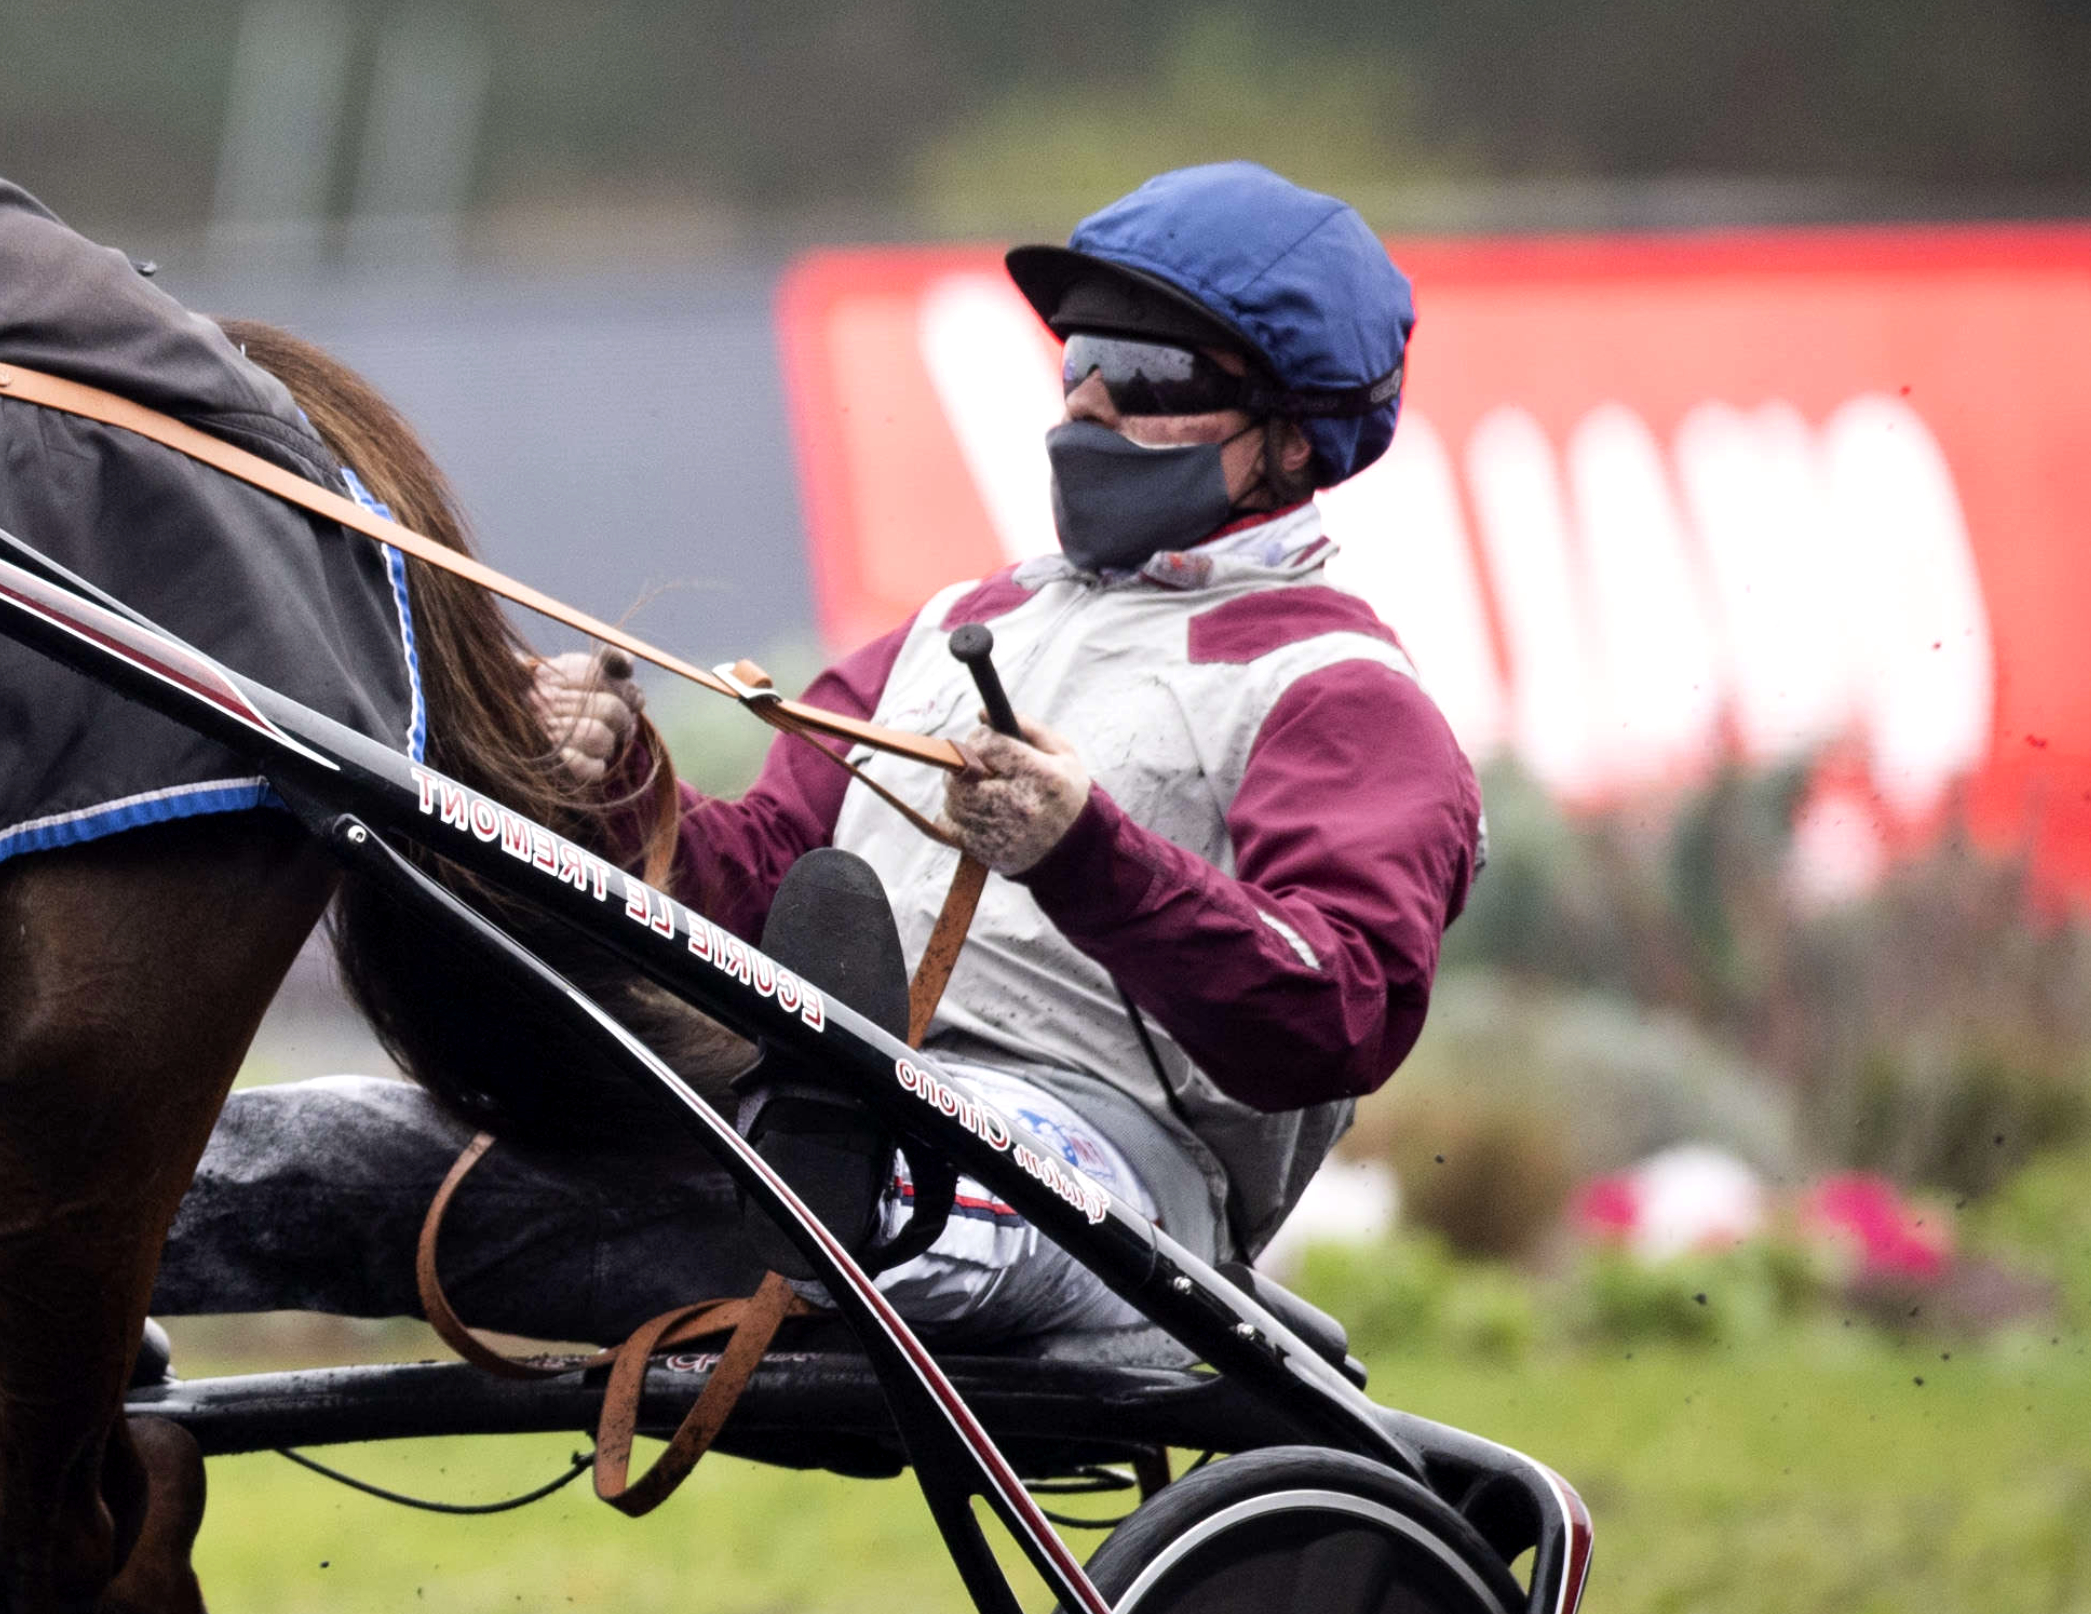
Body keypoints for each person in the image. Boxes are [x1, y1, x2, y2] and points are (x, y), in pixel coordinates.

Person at [161, 159, 1484, 1353]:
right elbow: (751, 875)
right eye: (1079, 361)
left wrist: (1090, 857)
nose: (1082, 405)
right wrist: (615, 782)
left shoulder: (1341, 696)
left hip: (1102, 1176)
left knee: (842, 1169)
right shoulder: (957, 629)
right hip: (806, 1109)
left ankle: (813, 1148)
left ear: (1296, 438)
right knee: (273, 1156)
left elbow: (1339, 1018)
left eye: (1146, 382)